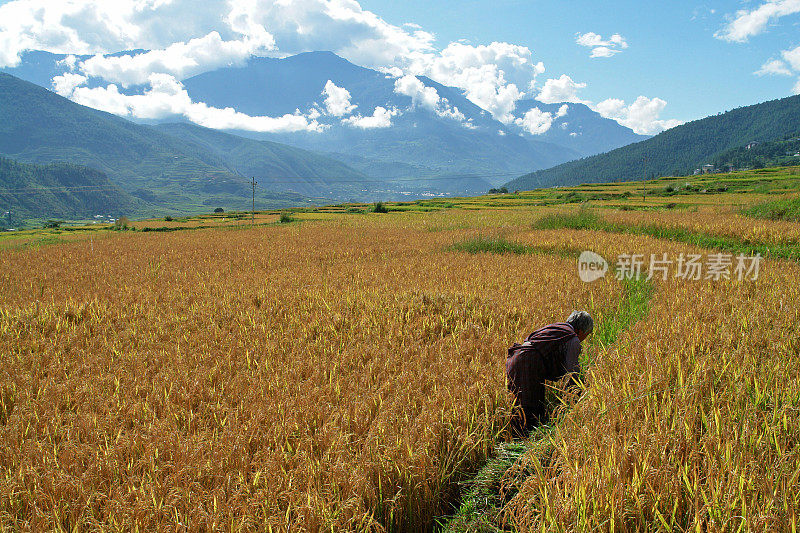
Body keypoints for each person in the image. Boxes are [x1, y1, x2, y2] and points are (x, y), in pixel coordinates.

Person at [506, 310, 593, 436]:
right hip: (529, 363)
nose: (584, 338)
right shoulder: (573, 338)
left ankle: (517, 438)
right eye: (587, 334)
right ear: (581, 331)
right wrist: (580, 393)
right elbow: (571, 371)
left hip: (515, 358)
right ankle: (526, 441)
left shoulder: (557, 327)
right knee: (531, 407)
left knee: (519, 402)